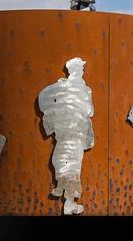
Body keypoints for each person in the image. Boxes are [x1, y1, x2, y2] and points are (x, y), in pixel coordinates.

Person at [38, 57, 94, 215]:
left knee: (60, 159)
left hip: (64, 134)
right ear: (77, 70)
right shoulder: (83, 90)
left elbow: (44, 100)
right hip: (75, 134)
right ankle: (69, 203)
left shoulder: (60, 87)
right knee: (72, 166)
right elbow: (90, 111)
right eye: (81, 68)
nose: (83, 71)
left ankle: (62, 187)